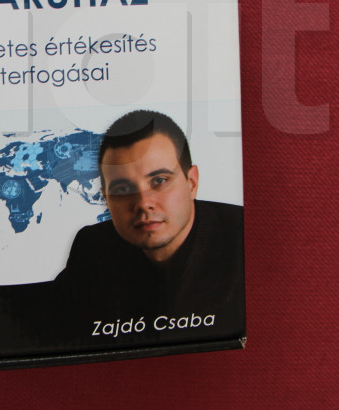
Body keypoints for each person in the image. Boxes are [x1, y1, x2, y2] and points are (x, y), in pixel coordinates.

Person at [54, 110, 244, 337]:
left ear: (192, 183)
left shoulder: (246, 241)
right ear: (106, 199)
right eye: (123, 188)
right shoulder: (91, 247)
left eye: (159, 180)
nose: (143, 203)